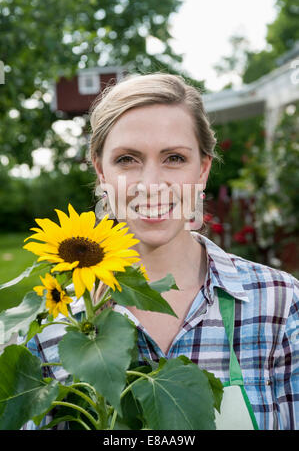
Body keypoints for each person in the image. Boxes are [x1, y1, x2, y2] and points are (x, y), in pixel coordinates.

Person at [24, 73, 298, 430]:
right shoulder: (52, 325)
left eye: (173, 158)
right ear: (100, 170)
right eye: (127, 159)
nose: (152, 184)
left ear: (202, 169)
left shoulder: (277, 304)